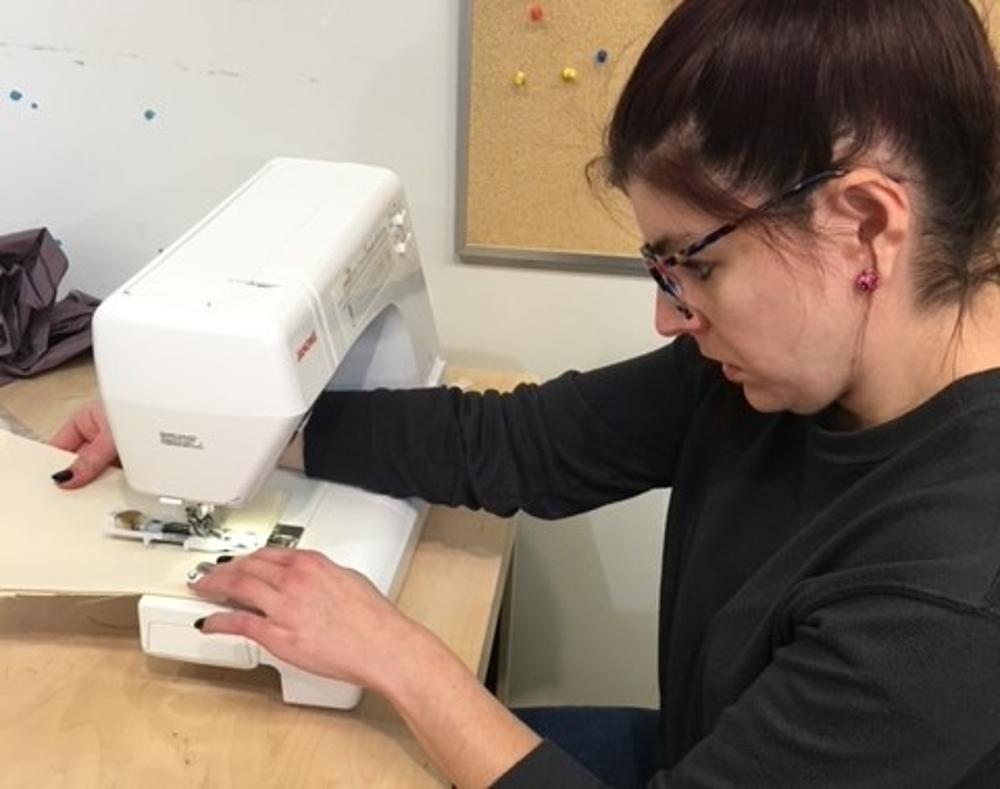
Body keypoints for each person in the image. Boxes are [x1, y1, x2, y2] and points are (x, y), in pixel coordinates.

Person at [50, 0, 1000, 785]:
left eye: (695, 266)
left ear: (864, 226)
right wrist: (216, 435)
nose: (672, 317)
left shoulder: (953, 596)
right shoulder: (779, 372)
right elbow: (525, 444)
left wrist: (400, 653)